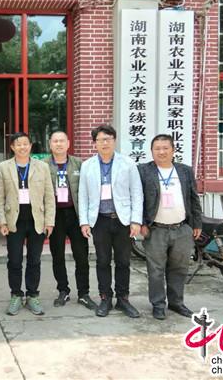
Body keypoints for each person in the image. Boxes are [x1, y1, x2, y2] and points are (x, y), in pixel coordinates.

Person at [78, 124, 143, 318]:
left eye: (108, 139)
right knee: (103, 261)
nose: (104, 143)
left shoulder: (127, 163)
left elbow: (136, 193)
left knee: (123, 261)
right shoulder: (87, 165)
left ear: (114, 141)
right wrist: (84, 222)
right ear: (95, 143)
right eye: (100, 140)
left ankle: (123, 299)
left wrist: (136, 220)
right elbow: (83, 196)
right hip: (100, 220)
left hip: (123, 220)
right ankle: (105, 297)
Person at [138, 134, 203, 320]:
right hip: (155, 230)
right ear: (151, 151)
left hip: (182, 229)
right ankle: (158, 304)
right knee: (156, 270)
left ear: (173, 150)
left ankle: (176, 302)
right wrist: (142, 223)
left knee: (179, 268)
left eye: (165, 148)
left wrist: (196, 223)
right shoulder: (144, 171)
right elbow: (137, 198)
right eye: (157, 148)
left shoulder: (184, 171)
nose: (161, 152)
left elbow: (193, 198)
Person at [0, 132, 55, 316]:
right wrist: (2, 221)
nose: (22, 147)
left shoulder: (42, 167)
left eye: (25, 144)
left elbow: (49, 196)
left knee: (34, 260)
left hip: (37, 220)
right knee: (14, 260)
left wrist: (49, 222)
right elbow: (0, 197)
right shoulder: (3, 167)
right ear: (12, 147)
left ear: (30, 146)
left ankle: (32, 295)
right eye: (18, 144)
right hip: (14, 221)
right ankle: (16, 295)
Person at [43, 131, 94, 310]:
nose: (58, 144)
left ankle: (83, 293)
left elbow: (88, 190)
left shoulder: (79, 164)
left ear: (68, 143)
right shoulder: (43, 165)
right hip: (54, 216)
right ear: (50, 144)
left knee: (81, 256)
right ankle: (63, 290)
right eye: (55, 141)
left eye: (62, 141)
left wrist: (87, 218)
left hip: (76, 214)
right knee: (57, 255)